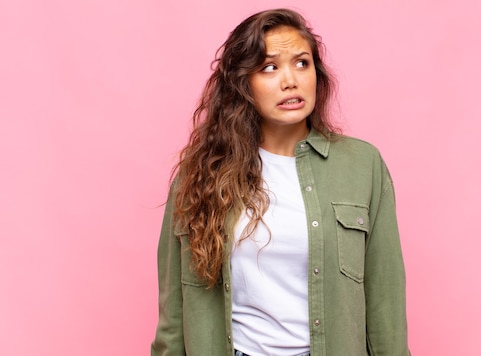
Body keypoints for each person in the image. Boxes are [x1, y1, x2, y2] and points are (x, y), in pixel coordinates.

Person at [151, 8, 410, 356]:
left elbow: (385, 303)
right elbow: (174, 310)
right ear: (243, 83)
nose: (291, 80)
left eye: (302, 63)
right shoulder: (201, 173)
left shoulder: (363, 167)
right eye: (270, 67)